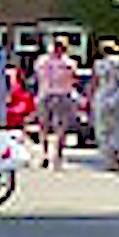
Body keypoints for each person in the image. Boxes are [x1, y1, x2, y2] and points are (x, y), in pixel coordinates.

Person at [30, 39, 86, 168]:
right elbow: (74, 79)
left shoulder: (62, 62)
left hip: (57, 94)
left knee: (56, 126)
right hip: (51, 94)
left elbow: (74, 78)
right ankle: (48, 154)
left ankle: (55, 154)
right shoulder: (49, 61)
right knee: (48, 126)